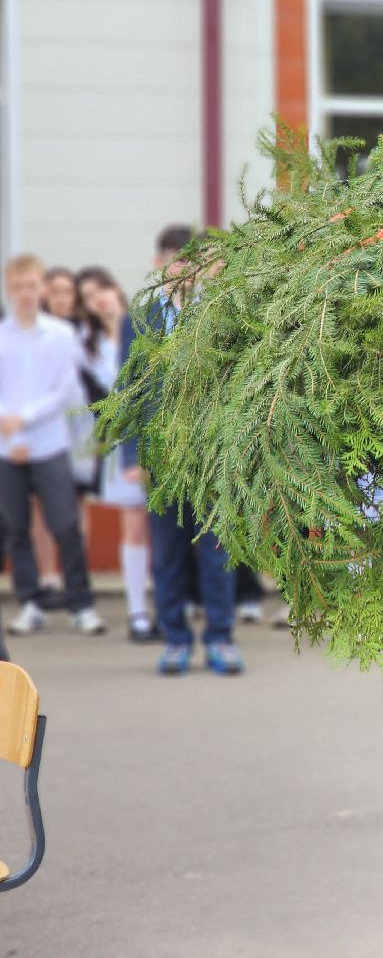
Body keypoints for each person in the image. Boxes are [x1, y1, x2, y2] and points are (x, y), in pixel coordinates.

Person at [124, 225, 242, 675]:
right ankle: (174, 638)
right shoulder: (139, 319)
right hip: (160, 461)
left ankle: (220, 638)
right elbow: (127, 392)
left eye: (190, 261)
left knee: (216, 553)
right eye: (175, 260)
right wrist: (132, 457)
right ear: (161, 264)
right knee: (167, 556)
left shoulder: (218, 314)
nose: (182, 270)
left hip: (210, 458)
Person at [1, 254, 105, 636]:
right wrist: (12, 433)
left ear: (41, 288)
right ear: (9, 290)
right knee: (17, 528)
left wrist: (24, 420)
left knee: (65, 524)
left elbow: (64, 389)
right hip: (7, 449)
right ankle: (30, 602)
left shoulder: (62, 336)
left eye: (32, 286)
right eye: (18, 287)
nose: (25, 294)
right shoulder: (2, 336)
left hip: (50, 444)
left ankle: (81, 603)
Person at [75, 267, 160, 641]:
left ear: (114, 288)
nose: (98, 299)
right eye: (88, 297)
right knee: (134, 525)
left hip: (160, 436)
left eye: (101, 289)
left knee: (167, 526)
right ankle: (138, 612)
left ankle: (174, 604)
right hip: (122, 441)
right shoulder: (88, 346)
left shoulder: (146, 323)